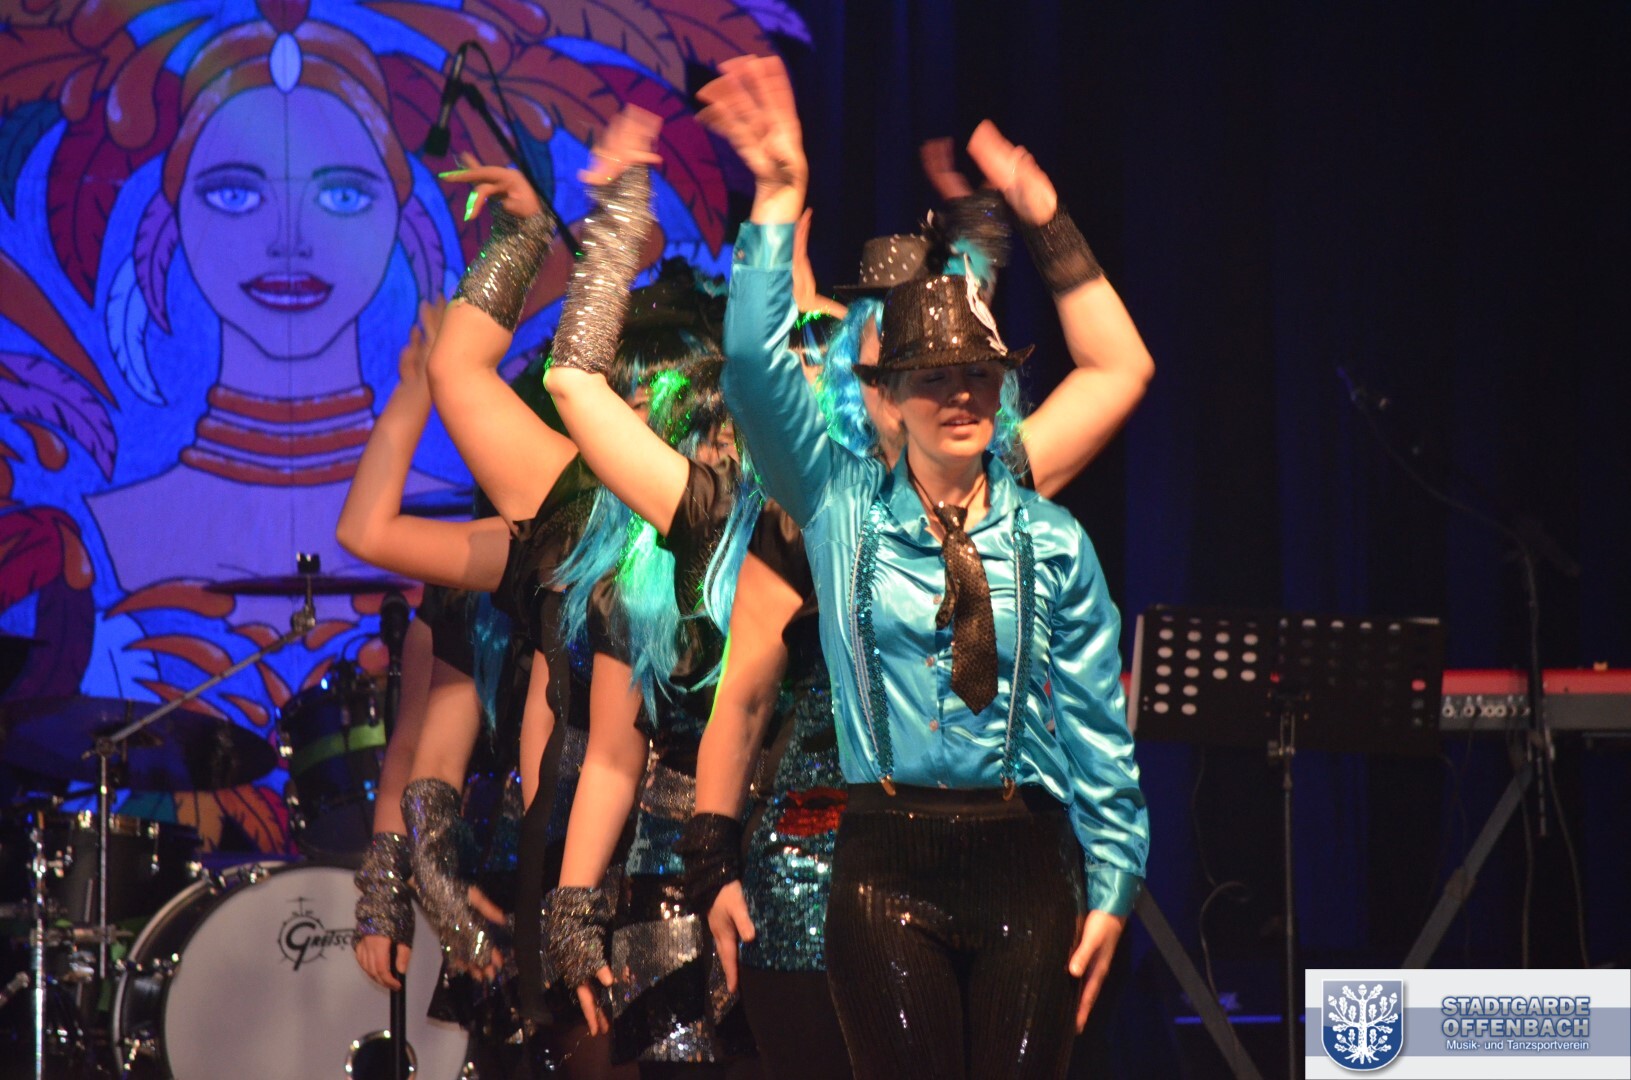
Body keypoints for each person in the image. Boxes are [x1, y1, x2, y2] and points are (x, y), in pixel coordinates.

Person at [698, 56, 1151, 1078]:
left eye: (976, 376)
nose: (958, 394)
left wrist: (1116, 873)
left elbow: (1095, 724)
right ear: (883, 396)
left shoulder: (1045, 532)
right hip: (883, 862)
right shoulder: (837, 505)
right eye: (930, 377)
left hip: (1023, 859)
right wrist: (777, 198)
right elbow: (756, 372)